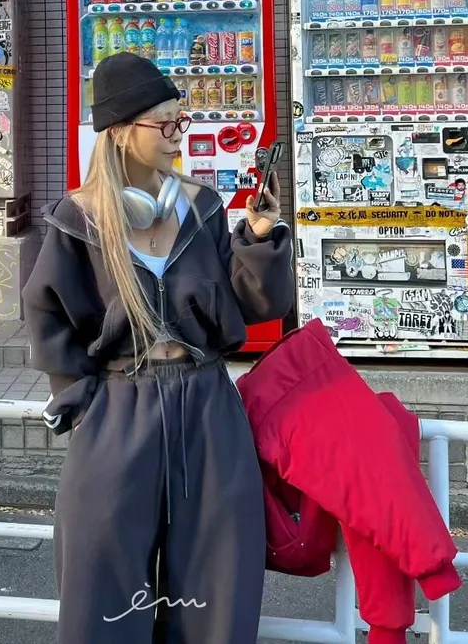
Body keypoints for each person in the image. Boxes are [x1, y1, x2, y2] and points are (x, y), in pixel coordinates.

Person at [23, 53, 294, 644]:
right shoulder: (76, 219)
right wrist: (80, 399)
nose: (178, 134)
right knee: (101, 582)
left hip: (208, 405)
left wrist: (259, 237)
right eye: (165, 122)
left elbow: (256, 305)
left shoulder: (203, 207)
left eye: (181, 119)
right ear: (121, 131)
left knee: (217, 582)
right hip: (118, 410)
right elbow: (46, 314)